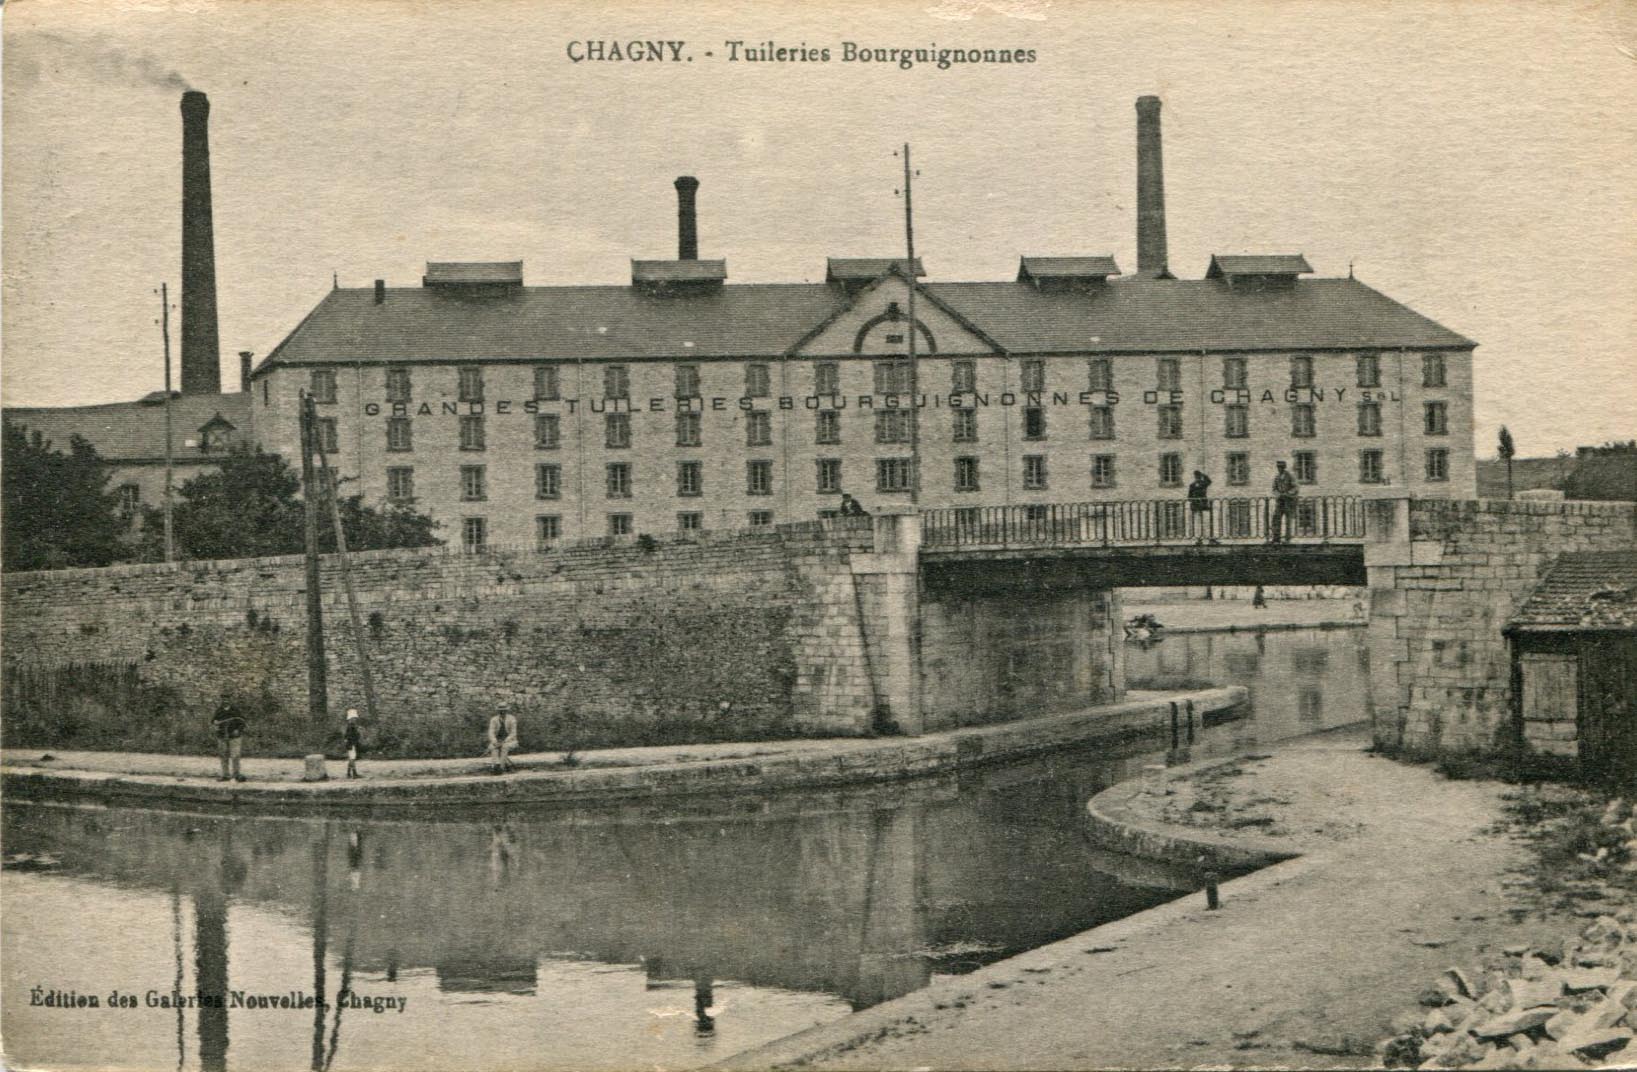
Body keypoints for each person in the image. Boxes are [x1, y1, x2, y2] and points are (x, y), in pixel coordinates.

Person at [210, 692, 247, 782]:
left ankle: (236, 774)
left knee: (235, 755)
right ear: (221, 700)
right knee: (223, 755)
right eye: (223, 699)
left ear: (230, 700)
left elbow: (242, 722)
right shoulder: (219, 710)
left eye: (227, 698)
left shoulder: (235, 710)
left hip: (234, 736)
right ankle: (225, 775)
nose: (225, 700)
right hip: (222, 736)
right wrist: (215, 722)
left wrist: (237, 730)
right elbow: (213, 721)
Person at [1269, 460, 1299, 544]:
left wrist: (1287, 493)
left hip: (1289, 501)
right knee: (1276, 519)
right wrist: (1278, 494)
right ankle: (1276, 538)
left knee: (1288, 520)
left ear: (1284, 467)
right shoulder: (1277, 477)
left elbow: (1295, 487)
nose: (1280, 469)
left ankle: (1287, 539)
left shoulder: (1290, 476)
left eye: (1281, 467)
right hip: (1280, 501)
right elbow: (1274, 489)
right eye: (1278, 467)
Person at [487, 705, 519, 774]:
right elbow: (491, 732)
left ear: (507, 711)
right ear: (498, 711)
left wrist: (504, 741)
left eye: (504, 710)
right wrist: (494, 741)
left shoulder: (512, 719)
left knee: (505, 747)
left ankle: (501, 767)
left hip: (510, 741)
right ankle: (495, 765)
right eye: (500, 710)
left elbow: (513, 733)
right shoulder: (494, 719)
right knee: (493, 747)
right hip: (497, 741)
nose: (502, 712)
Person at [1187, 470, 1214, 543]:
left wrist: (1194, 500)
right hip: (1203, 505)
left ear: (1195, 476)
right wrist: (1204, 475)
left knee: (1198, 522)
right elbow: (1209, 481)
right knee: (1205, 522)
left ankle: (1199, 538)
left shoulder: (1192, 485)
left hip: (1196, 505)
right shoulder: (1203, 483)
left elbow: (1189, 497)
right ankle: (1206, 538)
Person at [343, 708, 363, 779]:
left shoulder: (351, 726)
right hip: (351, 744)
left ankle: (348, 773)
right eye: (354, 718)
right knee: (352, 758)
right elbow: (350, 736)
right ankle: (354, 773)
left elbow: (346, 736)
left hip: (350, 744)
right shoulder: (351, 727)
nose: (355, 719)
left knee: (351, 758)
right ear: (351, 718)